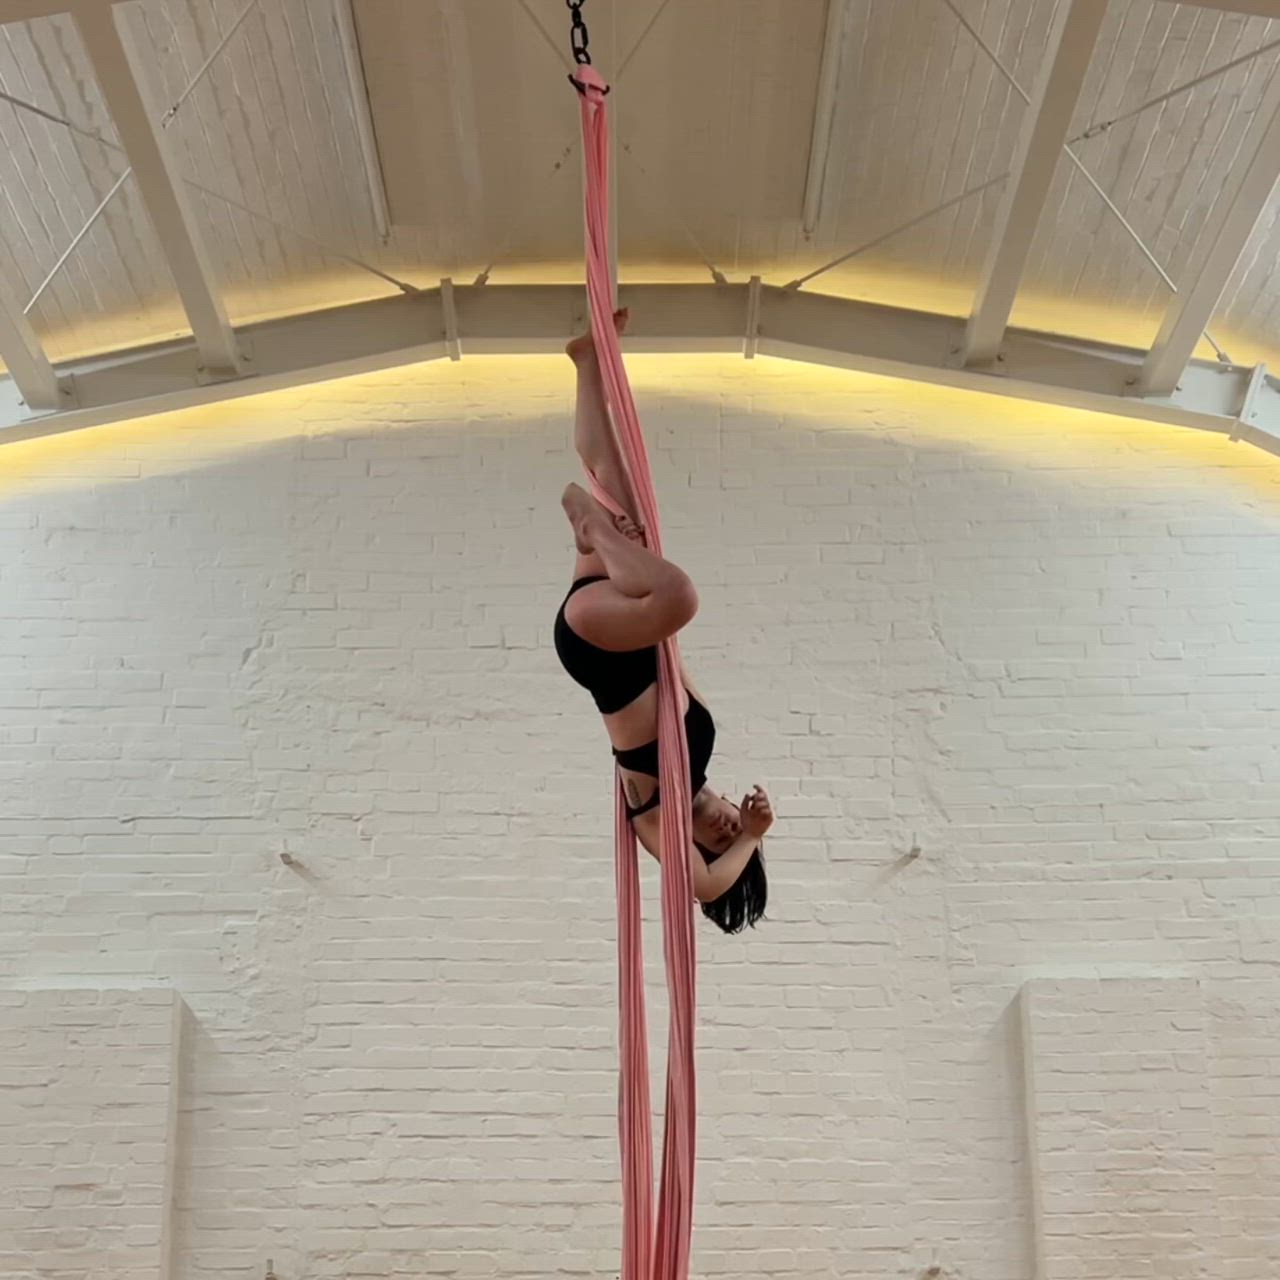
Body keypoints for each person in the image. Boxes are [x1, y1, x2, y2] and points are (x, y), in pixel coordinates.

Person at [554, 308, 771, 933]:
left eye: (722, 841)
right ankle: (588, 358)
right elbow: (675, 660)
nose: (729, 826)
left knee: (681, 594)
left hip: (594, 647)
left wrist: (751, 842)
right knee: (613, 476)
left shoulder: (656, 815)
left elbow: (702, 887)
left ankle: (597, 529)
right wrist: (639, 569)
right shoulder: (700, 741)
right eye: (736, 820)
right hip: (624, 616)